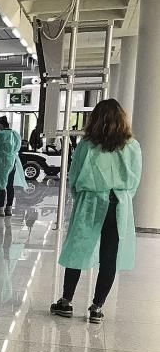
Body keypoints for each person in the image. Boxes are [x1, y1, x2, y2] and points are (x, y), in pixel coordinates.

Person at [51, 99, 141, 324]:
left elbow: (74, 174)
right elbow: (134, 179)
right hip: (118, 203)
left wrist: (80, 195)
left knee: (78, 249)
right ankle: (97, 308)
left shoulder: (87, 145)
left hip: (90, 201)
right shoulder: (131, 145)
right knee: (109, 256)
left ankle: (66, 302)